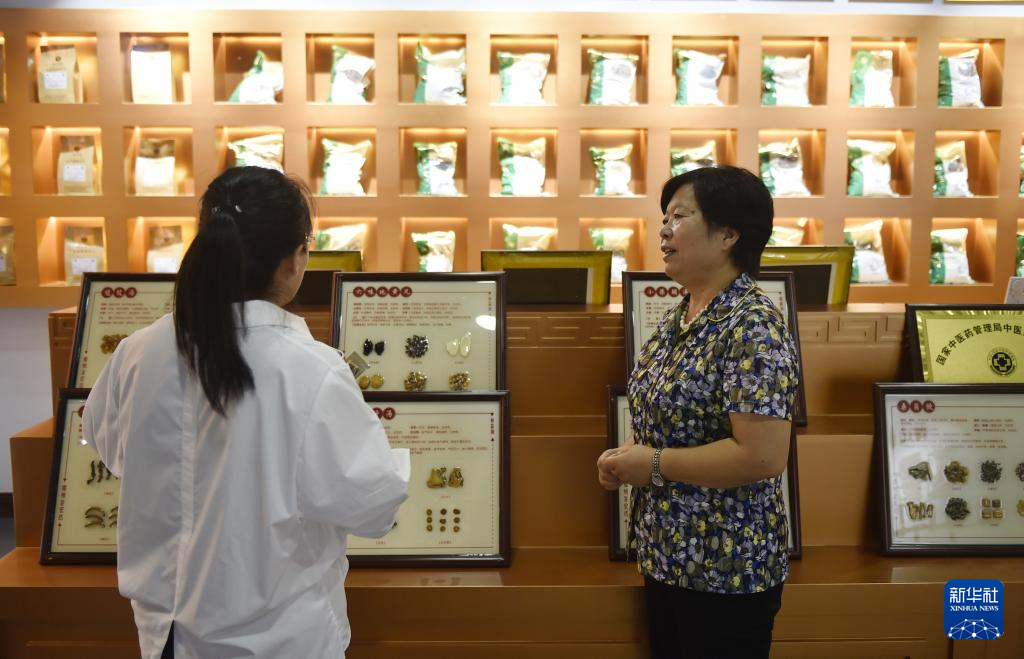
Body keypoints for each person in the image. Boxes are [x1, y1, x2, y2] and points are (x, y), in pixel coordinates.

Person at [83, 166, 410, 659]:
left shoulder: (138, 352)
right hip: (278, 639)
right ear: (295, 259)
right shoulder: (311, 370)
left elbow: (108, 445)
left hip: (166, 635)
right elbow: (372, 506)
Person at [597, 166, 799, 659]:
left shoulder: (753, 324)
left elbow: (762, 456)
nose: (664, 231)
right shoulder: (682, 314)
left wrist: (652, 463)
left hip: (725, 569)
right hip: (668, 557)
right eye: (664, 219)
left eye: (680, 217)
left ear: (729, 235)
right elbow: (667, 416)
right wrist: (627, 457)